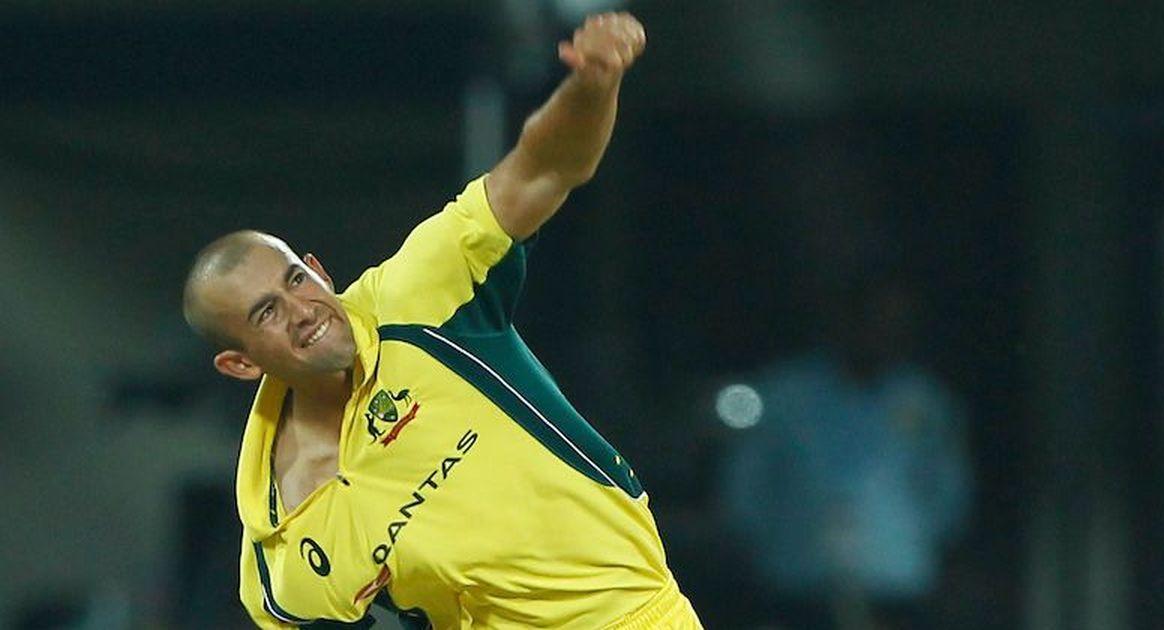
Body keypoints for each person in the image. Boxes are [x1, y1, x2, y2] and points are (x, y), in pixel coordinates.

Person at [181, 13, 701, 629]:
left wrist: (592, 84)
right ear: (240, 363)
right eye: (266, 313)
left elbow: (543, 168)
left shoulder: (415, 296)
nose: (301, 311)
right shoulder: (282, 551)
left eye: (296, 279)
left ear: (318, 270)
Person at [719, 267, 973, 630]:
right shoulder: (785, 395)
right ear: (842, 319)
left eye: (892, 324)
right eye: (870, 319)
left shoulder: (925, 401)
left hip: (896, 596)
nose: (879, 333)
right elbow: (746, 490)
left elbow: (947, 494)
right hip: (800, 596)